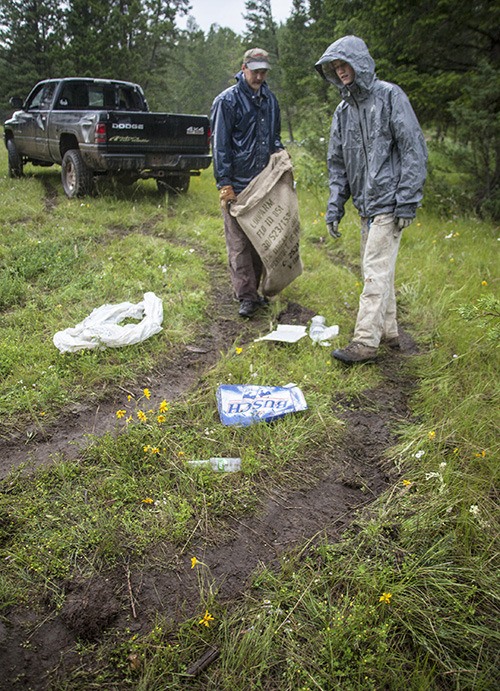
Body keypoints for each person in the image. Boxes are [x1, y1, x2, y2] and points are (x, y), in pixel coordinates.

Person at [315, 35, 427, 363]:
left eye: (344, 64)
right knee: (380, 269)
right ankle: (389, 331)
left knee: (374, 270)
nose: (340, 71)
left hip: (390, 201)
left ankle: (365, 341)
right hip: (365, 204)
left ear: (358, 63)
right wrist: (336, 205)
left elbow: (413, 148)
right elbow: (337, 163)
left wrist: (407, 200)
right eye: (335, 67)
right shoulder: (343, 111)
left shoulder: (390, 97)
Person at [210, 48, 284, 318]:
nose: (260, 76)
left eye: (264, 71)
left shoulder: (270, 100)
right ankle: (246, 297)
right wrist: (224, 183)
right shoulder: (226, 101)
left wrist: (281, 164)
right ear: (243, 69)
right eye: (255, 71)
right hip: (237, 185)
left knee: (261, 240)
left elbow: (275, 139)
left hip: (264, 183)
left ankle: (256, 292)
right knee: (239, 243)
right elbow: (219, 146)